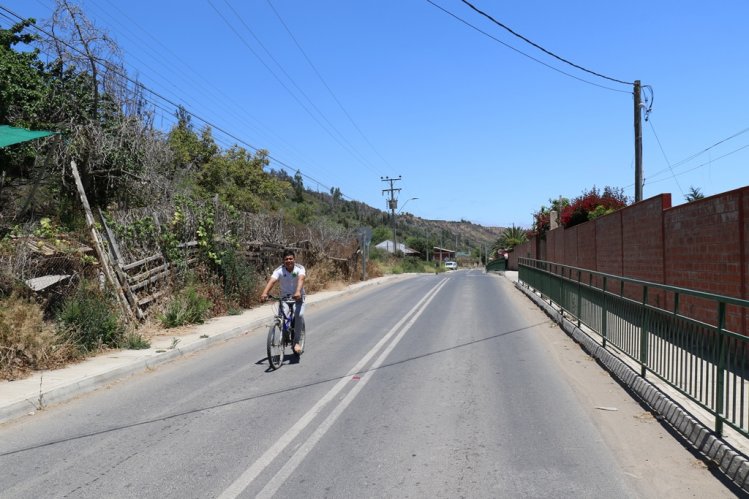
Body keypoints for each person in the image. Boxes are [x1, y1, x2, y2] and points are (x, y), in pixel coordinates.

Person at [260, 249, 306, 354]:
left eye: (291, 259)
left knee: (298, 315)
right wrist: (264, 293)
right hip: (284, 298)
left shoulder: (300, 269)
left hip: (298, 297)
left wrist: (298, 291)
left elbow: (301, 279)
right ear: (283, 261)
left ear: (294, 259)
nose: (289, 261)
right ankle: (284, 336)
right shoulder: (279, 270)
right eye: (286, 259)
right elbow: (272, 281)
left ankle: (296, 342)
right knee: (282, 317)